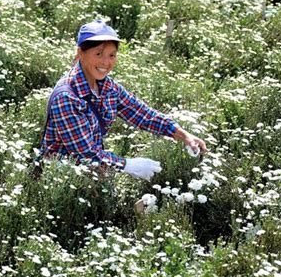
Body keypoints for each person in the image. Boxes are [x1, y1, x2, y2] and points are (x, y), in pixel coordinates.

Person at [39, 20, 207, 181]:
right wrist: (128, 165)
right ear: (80, 53)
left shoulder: (107, 87)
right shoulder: (66, 97)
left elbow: (142, 114)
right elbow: (85, 154)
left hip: (92, 172)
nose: (106, 62)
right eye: (98, 54)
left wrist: (183, 135)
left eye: (112, 55)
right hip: (62, 177)